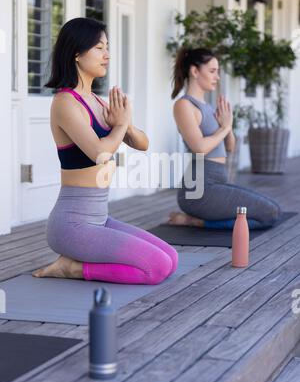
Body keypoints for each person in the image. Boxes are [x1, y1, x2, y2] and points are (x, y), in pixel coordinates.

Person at [33, 17, 178, 284]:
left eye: (107, 47)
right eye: (99, 48)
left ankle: (76, 264)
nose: (107, 55)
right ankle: (70, 268)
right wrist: (120, 125)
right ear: (77, 52)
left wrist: (126, 126)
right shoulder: (65, 102)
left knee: (171, 258)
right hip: (72, 226)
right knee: (155, 268)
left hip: (100, 218)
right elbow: (100, 153)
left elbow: (142, 144)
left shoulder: (99, 102)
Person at [168, 47, 282, 230]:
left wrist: (227, 128)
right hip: (198, 191)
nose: (217, 77)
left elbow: (230, 147)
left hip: (218, 183)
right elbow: (199, 147)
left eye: (217, 72)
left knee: (274, 209)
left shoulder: (208, 106)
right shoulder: (184, 105)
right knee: (270, 213)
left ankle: (196, 220)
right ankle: (196, 221)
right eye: (212, 71)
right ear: (195, 71)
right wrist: (225, 127)